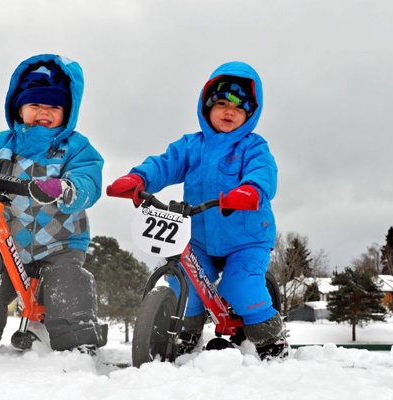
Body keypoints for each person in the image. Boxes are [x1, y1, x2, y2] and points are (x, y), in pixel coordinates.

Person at [107, 61, 289, 360]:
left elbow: (263, 173)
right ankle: (184, 334)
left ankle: (271, 341)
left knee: (240, 285)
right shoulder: (191, 145)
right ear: (206, 107)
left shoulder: (253, 146)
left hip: (246, 239)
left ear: (249, 114)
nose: (228, 111)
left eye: (238, 107)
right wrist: (138, 178)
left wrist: (250, 190)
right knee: (185, 284)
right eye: (220, 104)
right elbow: (164, 163)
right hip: (200, 236)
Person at [0, 54, 107, 354]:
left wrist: (67, 188)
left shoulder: (76, 148)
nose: (44, 112)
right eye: (35, 105)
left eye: (54, 106)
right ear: (19, 107)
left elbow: (88, 180)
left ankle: (77, 346)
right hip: (10, 243)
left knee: (66, 283)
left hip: (60, 244)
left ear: (67, 112)